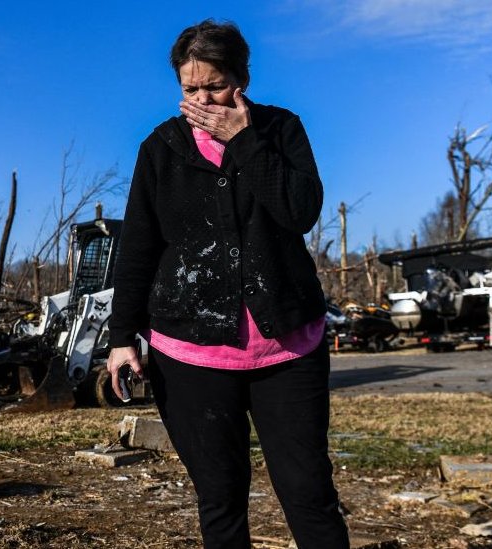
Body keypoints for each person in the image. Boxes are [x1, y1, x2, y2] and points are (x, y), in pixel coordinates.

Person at [106, 20, 350, 549]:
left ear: (241, 78)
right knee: (219, 499)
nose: (202, 99)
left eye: (214, 85)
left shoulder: (280, 131)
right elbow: (139, 248)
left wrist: (243, 140)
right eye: (189, 89)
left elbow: (300, 211)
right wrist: (122, 337)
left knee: (308, 492)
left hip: (287, 349)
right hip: (190, 357)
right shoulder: (160, 149)